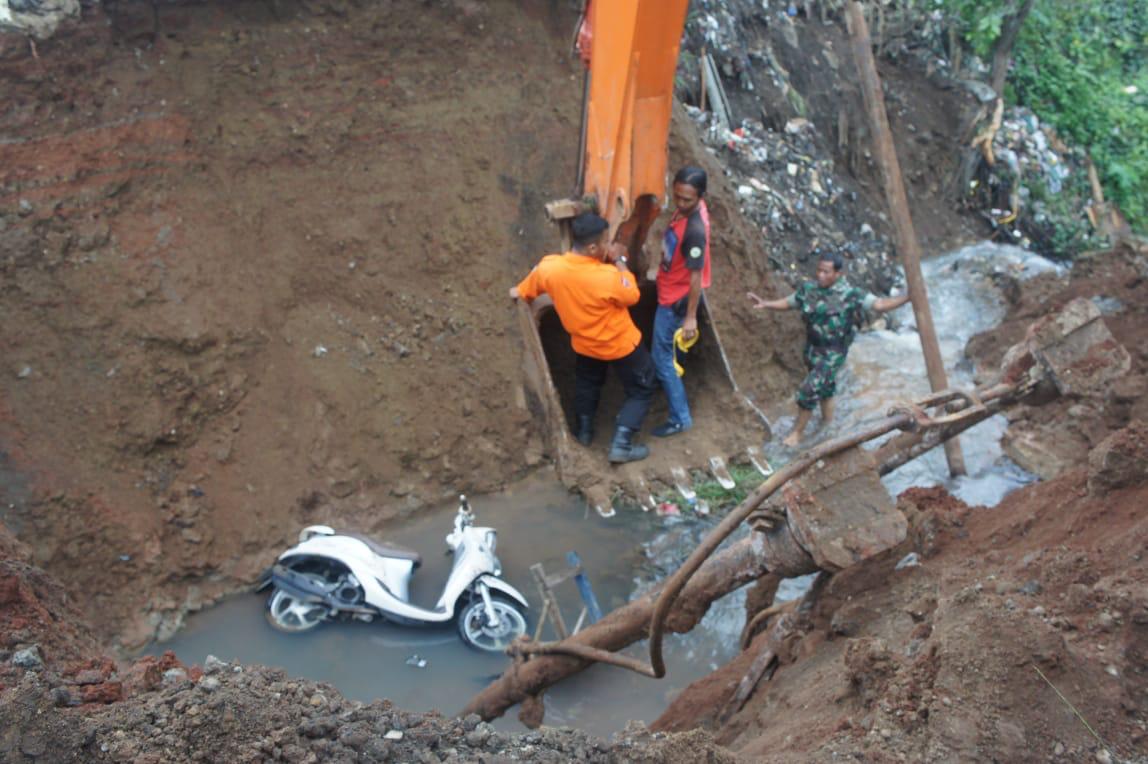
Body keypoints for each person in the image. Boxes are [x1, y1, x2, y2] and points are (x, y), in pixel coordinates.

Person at [510, 212, 656, 464]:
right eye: (605, 242)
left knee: (587, 384)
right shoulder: (608, 277)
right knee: (643, 389)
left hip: (586, 345)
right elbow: (633, 295)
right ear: (592, 247)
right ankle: (621, 444)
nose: (607, 245)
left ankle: (584, 432)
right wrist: (620, 260)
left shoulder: (549, 268)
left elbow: (521, 291)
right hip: (622, 346)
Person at [748, 251, 910, 446]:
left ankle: (796, 434)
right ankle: (828, 426)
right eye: (819, 270)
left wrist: (908, 297)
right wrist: (766, 304)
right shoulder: (809, 290)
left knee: (809, 390)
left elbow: (880, 304)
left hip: (833, 352)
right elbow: (790, 302)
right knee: (826, 389)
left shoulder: (851, 295)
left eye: (826, 272)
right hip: (812, 350)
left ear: (838, 274)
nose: (820, 275)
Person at [647, 166, 712, 438]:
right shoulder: (687, 212)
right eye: (677, 196)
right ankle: (672, 377)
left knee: (660, 356)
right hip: (671, 286)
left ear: (700, 197)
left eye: (687, 199)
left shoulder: (695, 230)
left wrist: (690, 317)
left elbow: (696, 277)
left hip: (676, 298)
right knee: (671, 351)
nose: (681, 203)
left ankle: (679, 417)